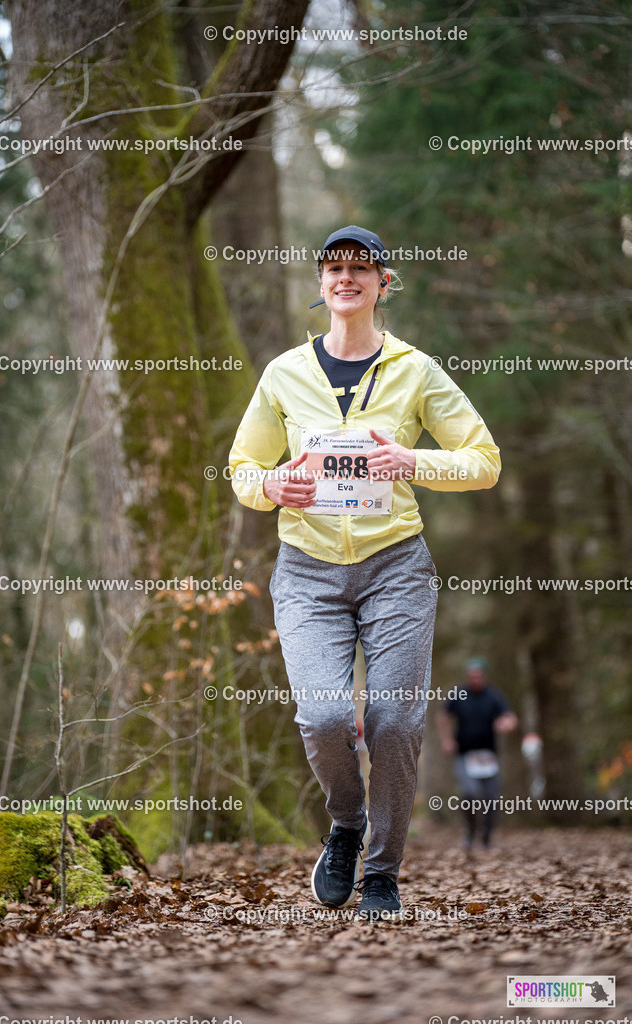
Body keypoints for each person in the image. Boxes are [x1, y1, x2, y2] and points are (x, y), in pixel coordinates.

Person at [228, 225, 501, 919]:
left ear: (383, 283)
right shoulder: (285, 374)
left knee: (393, 722)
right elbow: (243, 470)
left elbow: (482, 460)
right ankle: (346, 826)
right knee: (322, 715)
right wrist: (271, 487)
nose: (345, 276)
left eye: (360, 267)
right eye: (332, 267)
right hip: (306, 571)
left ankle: (382, 870)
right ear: (321, 285)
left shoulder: (415, 370)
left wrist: (413, 462)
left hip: (395, 568)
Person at [437, 657, 518, 849]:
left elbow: (510, 717)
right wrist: (447, 740)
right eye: (472, 676)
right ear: (467, 676)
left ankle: (487, 837)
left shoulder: (494, 696)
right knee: (470, 794)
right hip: (465, 755)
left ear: (484, 676)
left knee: (491, 799)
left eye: (478, 676)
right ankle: (471, 831)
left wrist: (506, 724)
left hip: (488, 756)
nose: (475, 679)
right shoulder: (459, 694)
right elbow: (442, 716)